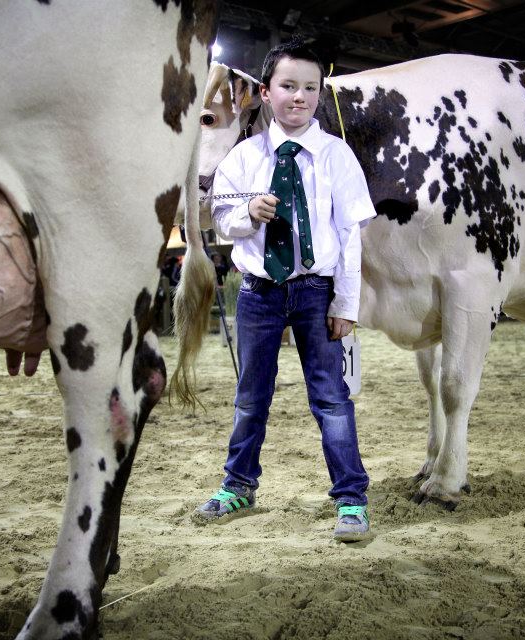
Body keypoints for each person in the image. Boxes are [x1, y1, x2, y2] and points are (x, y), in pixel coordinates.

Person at [193, 39, 376, 542]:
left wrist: (346, 304)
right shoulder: (244, 158)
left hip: (317, 293)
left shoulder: (337, 157)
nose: (299, 97)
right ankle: (238, 486)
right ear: (267, 93)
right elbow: (222, 221)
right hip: (258, 294)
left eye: (310, 88)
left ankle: (351, 500)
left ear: (320, 94)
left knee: (332, 398)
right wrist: (246, 216)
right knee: (251, 396)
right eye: (288, 86)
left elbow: (349, 239)